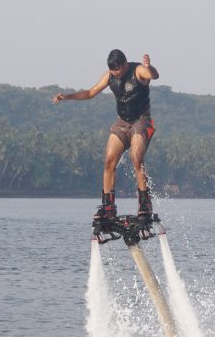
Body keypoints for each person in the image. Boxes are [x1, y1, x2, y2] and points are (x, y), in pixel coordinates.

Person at [52, 49, 160, 222]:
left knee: (136, 158)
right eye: (112, 70)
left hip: (141, 121)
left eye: (117, 69)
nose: (115, 73)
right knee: (109, 160)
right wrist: (67, 97)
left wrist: (149, 67)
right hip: (122, 122)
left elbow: (154, 76)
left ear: (125, 64)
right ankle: (108, 206)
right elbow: (90, 93)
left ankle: (144, 204)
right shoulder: (109, 76)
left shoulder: (137, 70)